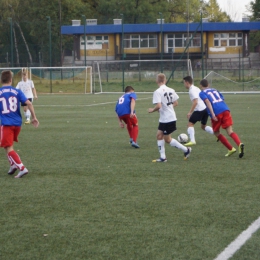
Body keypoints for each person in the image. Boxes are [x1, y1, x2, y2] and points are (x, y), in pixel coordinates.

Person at [0, 70, 39, 178]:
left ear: (1, 80)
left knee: (8, 147)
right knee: (6, 145)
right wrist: (34, 117)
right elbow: (29, 103)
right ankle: (13, 165)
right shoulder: (16, 91)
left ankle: (22, 168)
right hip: (17, 124)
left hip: (7, 124)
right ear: (11, 80)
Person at [148, 73, 191, 162]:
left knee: (167, 139)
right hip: (167, 118)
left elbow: (159, 106)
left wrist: (152, 110)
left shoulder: (157, 91)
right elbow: (176, 103)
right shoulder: (171, 89)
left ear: (157, 81)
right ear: (165, 80)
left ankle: (186, 150)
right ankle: (163, 157)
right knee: (159, 136)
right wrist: (167, 107)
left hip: (167, 119)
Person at [199, 79, 244, 158]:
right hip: (225, 109)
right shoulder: (215, 90)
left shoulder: (202, 93)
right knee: (230, 131)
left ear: (201, 85)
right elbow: (222, 98)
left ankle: (231, 149)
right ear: (208, 85)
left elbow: (208, 101)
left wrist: (212, 114)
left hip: (216, 113)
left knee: (216, 132)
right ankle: (239, 143)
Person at [183, 76, 213, 146]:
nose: (184, 84)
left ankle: (192, 141)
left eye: (184, 83)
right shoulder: (196, 88)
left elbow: (195, 102)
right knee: (203, 126)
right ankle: (217, 134)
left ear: (187, 83)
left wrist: (190, 112)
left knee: (190, 124)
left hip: (199, 109)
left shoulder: (191, 90)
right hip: (205, 108)